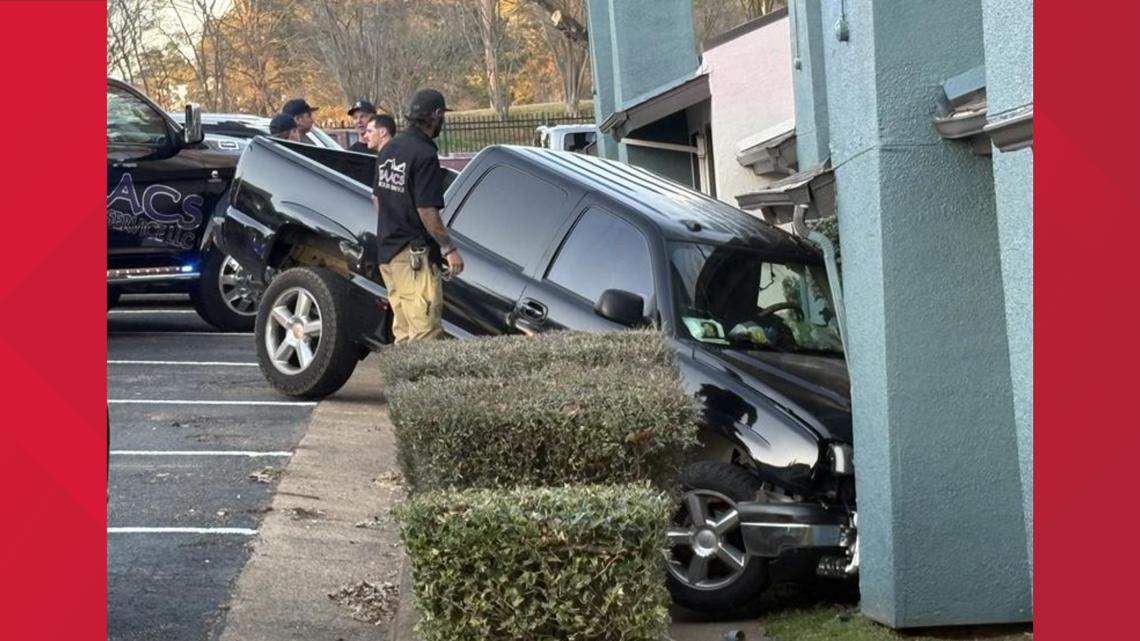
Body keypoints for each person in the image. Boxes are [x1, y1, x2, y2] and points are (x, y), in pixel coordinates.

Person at [372, 89, 463, 343]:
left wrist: (395, 224)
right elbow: (426, 210)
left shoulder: (389, 149)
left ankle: (403, 383)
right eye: (442, 115)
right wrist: (448, 248)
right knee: (425, 333)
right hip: (414, 257)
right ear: (435, 115)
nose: (443, 121)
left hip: (387, 254)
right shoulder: (424, 155)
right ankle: (422, 384)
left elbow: (377, 198)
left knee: (403, 332)